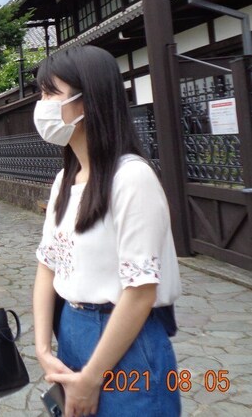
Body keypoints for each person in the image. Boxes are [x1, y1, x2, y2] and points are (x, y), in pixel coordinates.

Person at [31, 46, 181, 417]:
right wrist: (42, 349)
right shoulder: (65, 179)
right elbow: (47, 265)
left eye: (52, 94)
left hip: (126, 341)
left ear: (88, 101)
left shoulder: (131, 178)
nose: (42, 105)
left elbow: (140, 291)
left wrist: (93, 376)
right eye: (42, 94)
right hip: (73, 330)